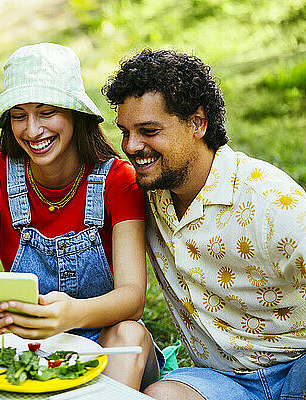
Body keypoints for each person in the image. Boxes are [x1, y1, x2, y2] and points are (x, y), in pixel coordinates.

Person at [0, 43, 163, 390]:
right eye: (19, 115)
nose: (32, 131)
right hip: (31, 344)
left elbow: (132, 298)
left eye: (46, 112)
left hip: (107, 341)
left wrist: (69, 315)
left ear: (74, 114)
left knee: (129, 332)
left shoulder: (117, 180)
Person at [103, 48, 306, 399]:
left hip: (298, 367)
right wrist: (5, 171)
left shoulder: (271, 202)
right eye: (125, 132)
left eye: (149, 130)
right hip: (219, 380)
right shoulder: (145, 193)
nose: (132, 147)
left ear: (198, 123)